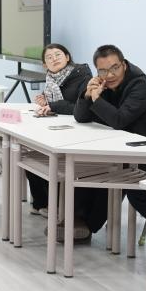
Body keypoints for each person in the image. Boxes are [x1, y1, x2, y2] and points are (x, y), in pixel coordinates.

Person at [73, 45, 146, 238]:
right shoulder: (104, 84)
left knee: (110, 170)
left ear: (124, 65)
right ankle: (78, 221)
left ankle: (86, 224)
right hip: (124, 150)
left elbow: (119, 120)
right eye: (103, 71)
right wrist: (87, 95)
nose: (110, 75)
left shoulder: (140, 87)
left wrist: (97, 99)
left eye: (115, 68)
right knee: (86, 165)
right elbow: (81, 117)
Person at [27, 43, 92, 216]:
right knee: (30, 155)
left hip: (79, 131)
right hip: (56, 127)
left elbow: (80, 108)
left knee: (51, 161)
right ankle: (41, 202)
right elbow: (56, 103)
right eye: (49, 57)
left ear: (67, 57)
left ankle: (56, 206)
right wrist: (45, 103)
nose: (54, 59)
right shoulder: (51, 79)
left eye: (58, 55)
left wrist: (53, 105)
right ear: (44, 65)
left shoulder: (82, 75)